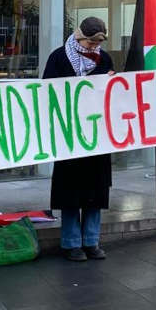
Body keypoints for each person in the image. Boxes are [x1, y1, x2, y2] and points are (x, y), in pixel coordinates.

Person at [44, 17, 114, 261]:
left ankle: (91, 241)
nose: (94, 48)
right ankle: (71, 242)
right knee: (71, 192)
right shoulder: (58, 58)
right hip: (69, 136)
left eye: (97, 44)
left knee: (96, 191)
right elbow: (47, 93)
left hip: (97, 136)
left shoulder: (104, 59)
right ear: (79, 37)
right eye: (90, 42)